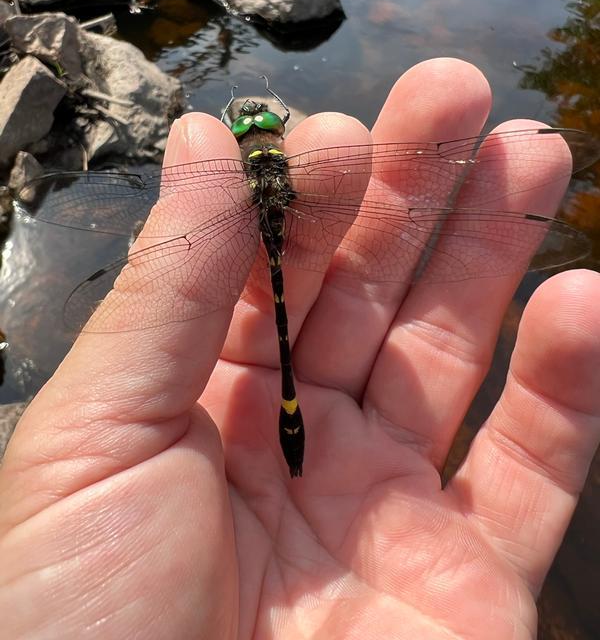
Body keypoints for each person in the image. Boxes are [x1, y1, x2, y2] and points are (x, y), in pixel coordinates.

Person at [0, 58, 598, 639]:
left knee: (279, 306)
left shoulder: (238, 179)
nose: (257, 131)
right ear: (276, 144)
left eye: (254, 129)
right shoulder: (288, 171)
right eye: (261, 128)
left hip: (266, 280)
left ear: (241, 147)